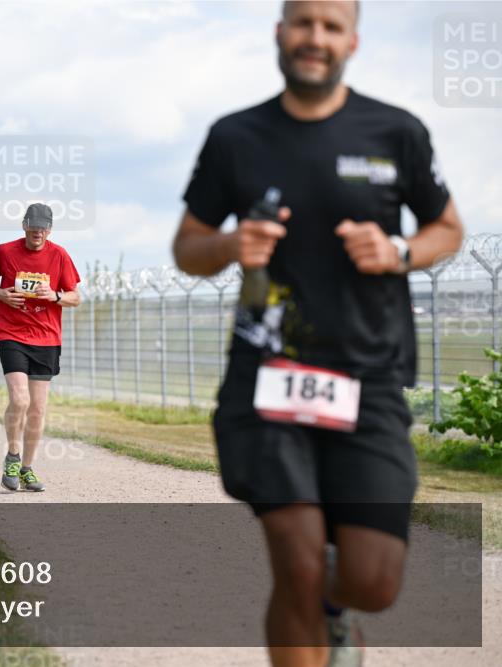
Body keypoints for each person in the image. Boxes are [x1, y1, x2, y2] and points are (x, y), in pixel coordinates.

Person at [170, 3, 464, 666]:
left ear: (352, 41)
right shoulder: (234, 137)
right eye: (303, 22)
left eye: (332, 26)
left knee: (373, 579)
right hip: (266, 378)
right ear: (280, 32)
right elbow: (187, 246)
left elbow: (448, 228)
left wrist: (398, 251)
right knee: (297, 560)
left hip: (369, 378)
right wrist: (227, 243)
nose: (315, 37)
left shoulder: (397, 131)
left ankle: (335, 614)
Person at [0, 203, 82, 493]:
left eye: (43, 227)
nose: (38, 232)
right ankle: (12, 456)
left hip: (46, 337)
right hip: (11, 332)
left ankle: (27, 468)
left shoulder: (59, 255)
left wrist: (55, 295)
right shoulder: (5, 251)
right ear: (24, 225)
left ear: (49, 229)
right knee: (20, 400)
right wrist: (0, 293)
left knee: (37, 409)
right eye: (33, 226)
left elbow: (76, 297)